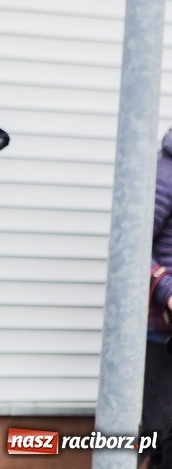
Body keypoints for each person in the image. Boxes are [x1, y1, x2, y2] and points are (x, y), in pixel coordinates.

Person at [140, 128, 172, 469]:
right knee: (160, 439)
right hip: (162, 335)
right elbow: (132, 248)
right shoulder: (164, 175)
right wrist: (168, 291)